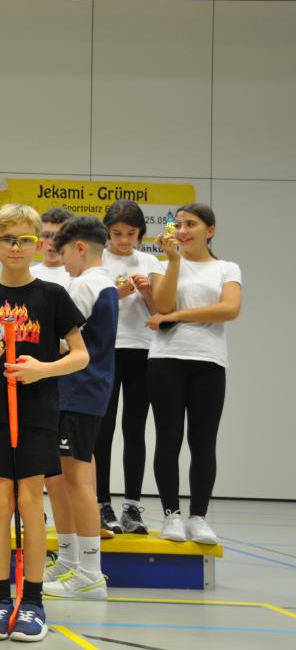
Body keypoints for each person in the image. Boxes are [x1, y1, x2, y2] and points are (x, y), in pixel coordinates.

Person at [0, 203, 88, 642]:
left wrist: (42, 369)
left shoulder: (52, 296)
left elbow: (80, 355)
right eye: (8, 240)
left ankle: (32, 601)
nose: (16, 247)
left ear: (38, 244)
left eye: (25, 240)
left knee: (31, 501)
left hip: (37, 413)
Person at [147, 204, 241, 545]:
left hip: (209, 361)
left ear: (210, 230)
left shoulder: (227, 268)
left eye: (192, 224)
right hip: (166, 360)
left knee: (203, 442)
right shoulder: (162, 265)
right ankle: (171, 514)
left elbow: (229, 308)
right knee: (168, 438)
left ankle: (198, 517)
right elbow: (162, 306)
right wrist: (173, 261)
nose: (183, 231)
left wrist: (179, 316)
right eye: (179, 224)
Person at [42, 216, 118, 600]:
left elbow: (62, 341)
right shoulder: (104, 283)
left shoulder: (85, 284)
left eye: (64, 253)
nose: (63, 262)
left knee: (76, 481)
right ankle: (71, 560)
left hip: (78, 391)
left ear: (81, 248)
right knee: (63, 479)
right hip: (81, 391)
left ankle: (89, 573)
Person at [95, 199, 162, 534]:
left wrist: (148, 292)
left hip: (142, 351)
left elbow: (162, 311)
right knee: (102, 430)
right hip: (105, 351)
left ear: (141, 233)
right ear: (107, 231)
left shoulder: (150, 261)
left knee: (135, 429)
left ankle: (132, 506)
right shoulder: (97, 260)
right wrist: (117, 293)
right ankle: (101, 504)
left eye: (131, 233)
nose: (123, 240)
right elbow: (84, 307)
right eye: (117, 233)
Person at [30, 206, 73, 289]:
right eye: (46, 235)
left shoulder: (79, 277)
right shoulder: (26, 276)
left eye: (59, 236)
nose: (52, 242)